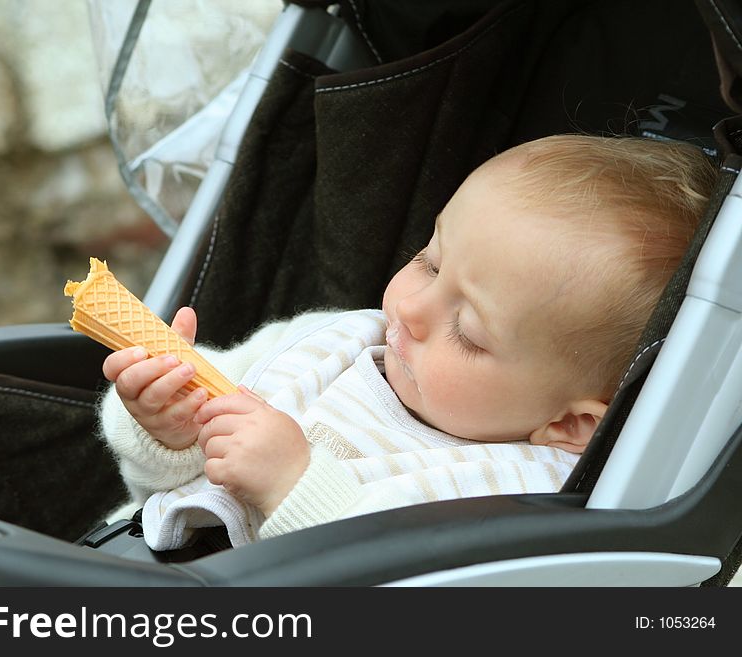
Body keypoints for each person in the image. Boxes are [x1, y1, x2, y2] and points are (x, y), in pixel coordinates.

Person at [98, 134, 719, 551]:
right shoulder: (335, 344)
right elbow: (163, 485)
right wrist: (168, 430)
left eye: (469, 332)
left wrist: (297, 486)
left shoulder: (522, 503)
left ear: (571, 425)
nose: (412, 308)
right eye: (429, 260)